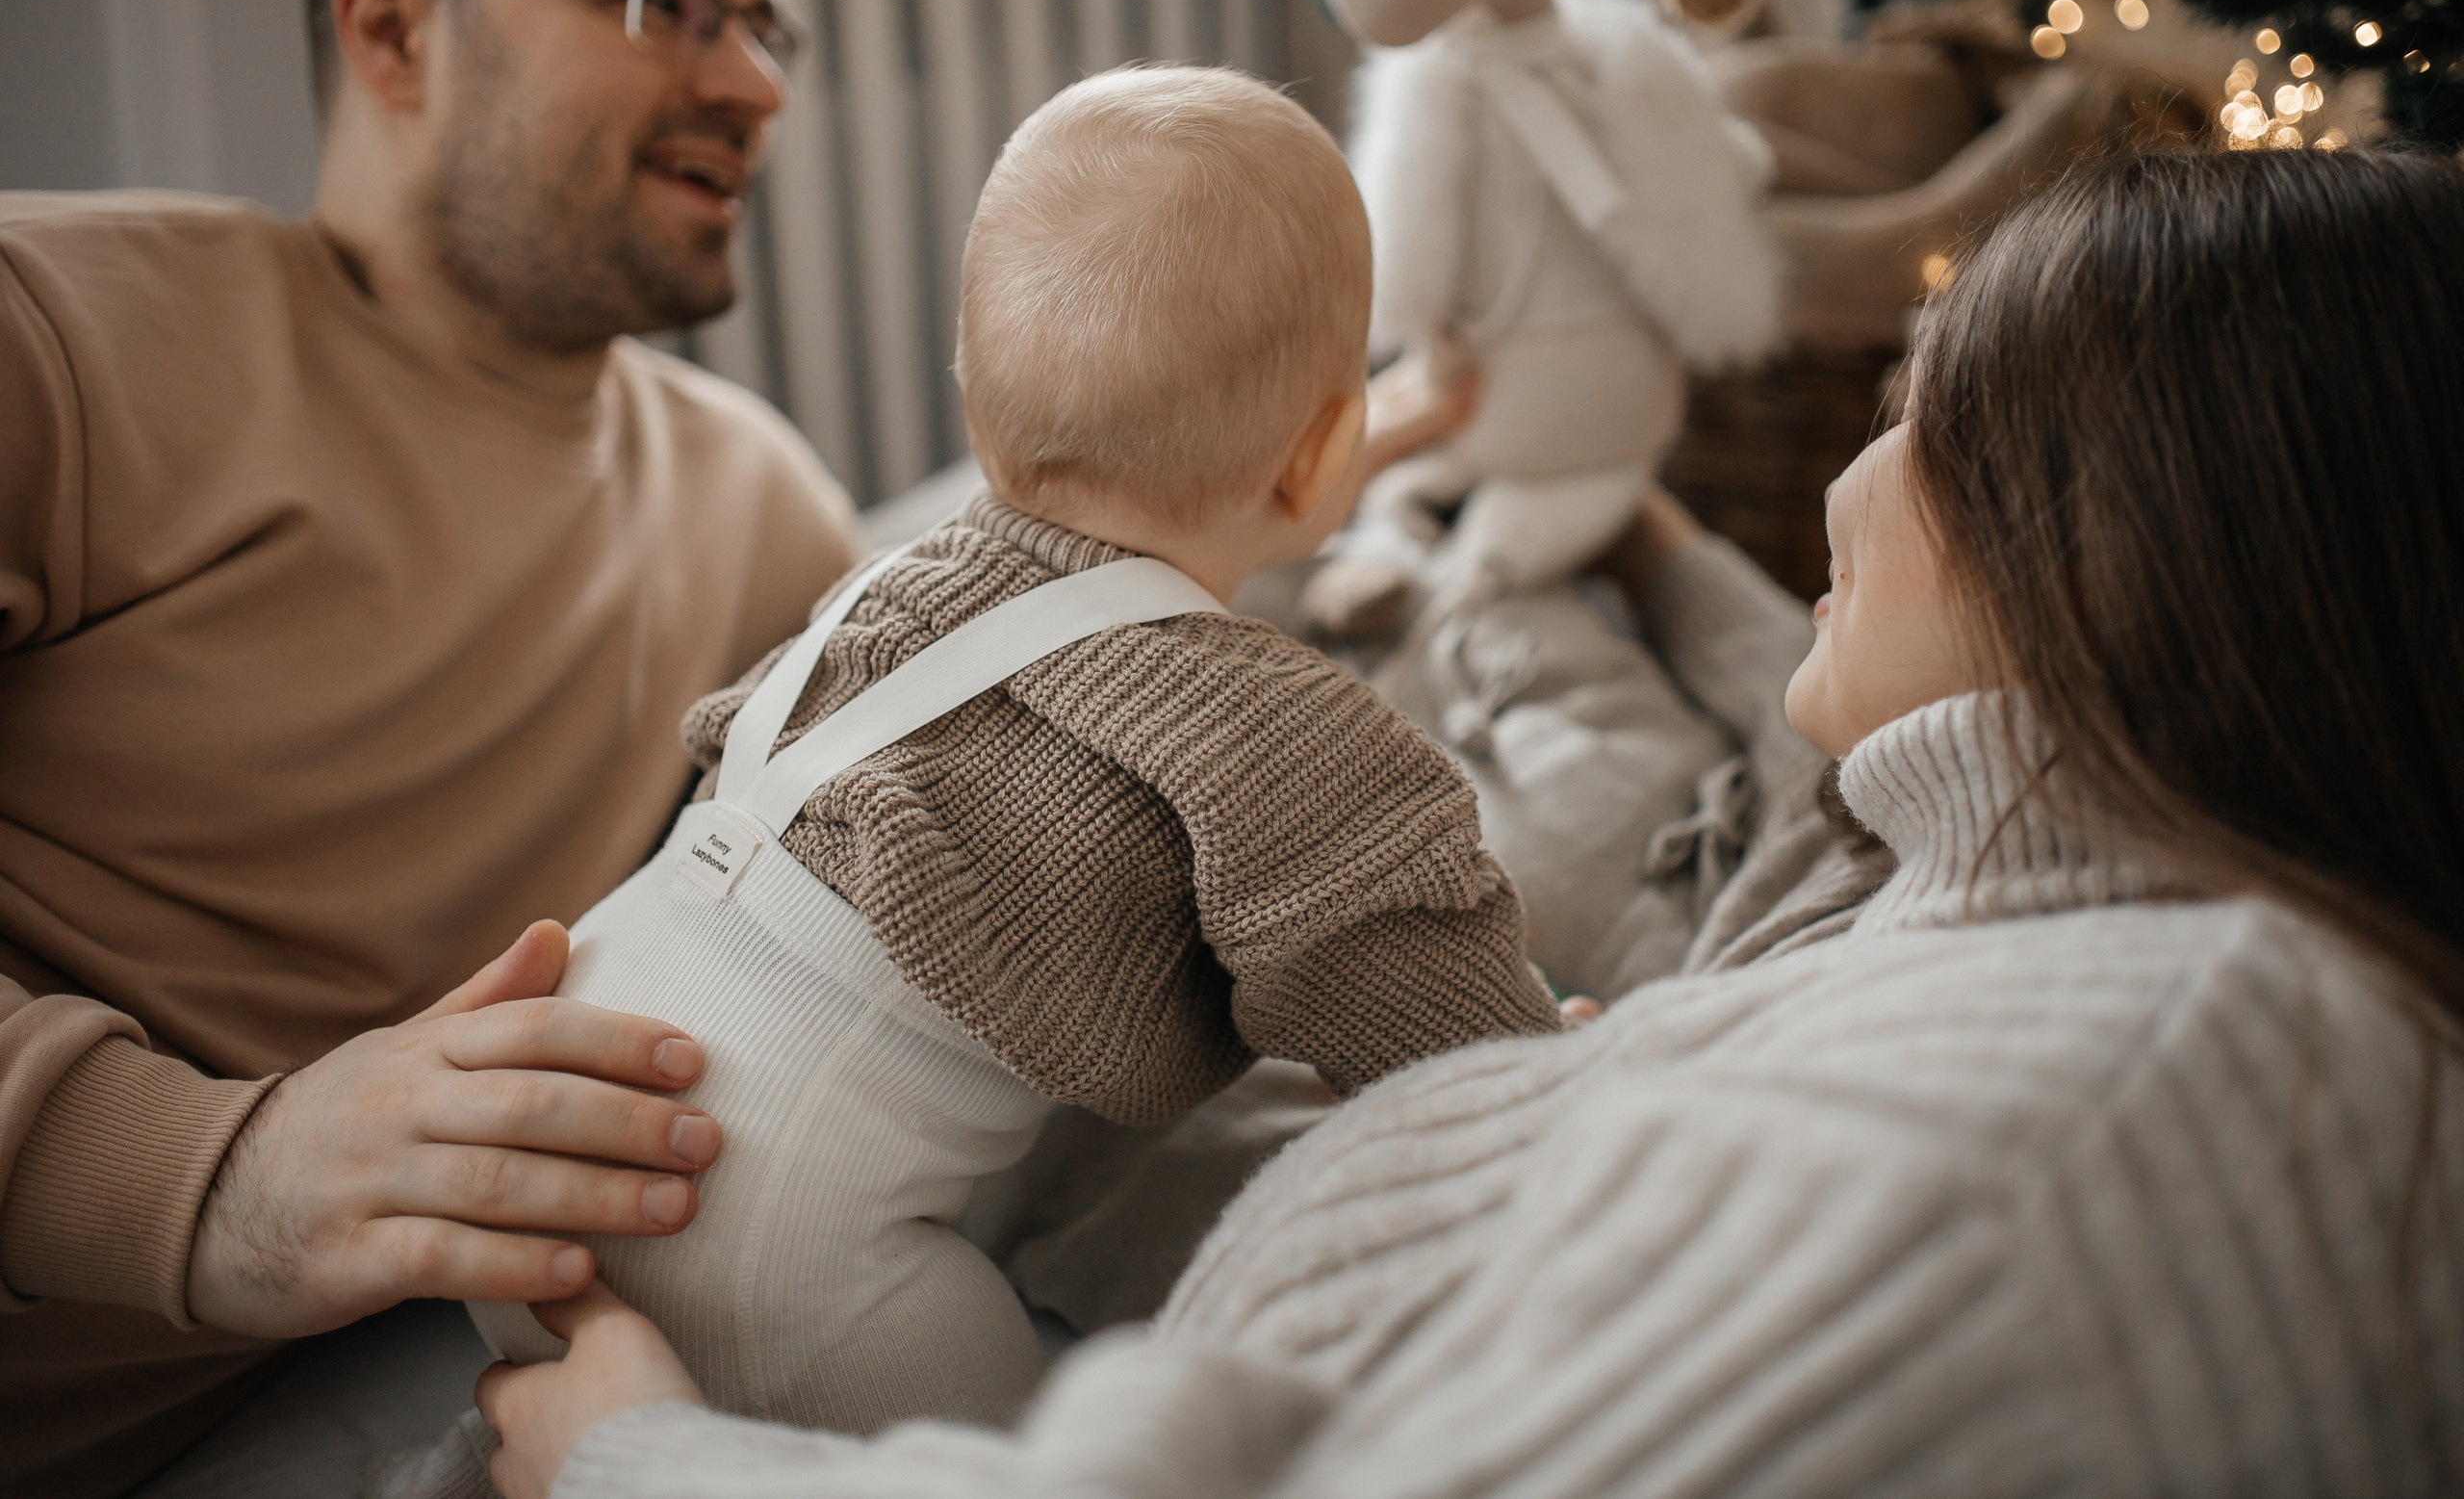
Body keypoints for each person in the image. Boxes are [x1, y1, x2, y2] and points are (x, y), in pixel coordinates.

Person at [475, 146, 2464, 1498]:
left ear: (2142, 549)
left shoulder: (2097, 1124)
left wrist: (635, 1459)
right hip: (1088, 1202)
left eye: (1918, 420)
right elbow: (1835, 723)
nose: (1844, 490)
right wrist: (1653, 534)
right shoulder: (2040, 850)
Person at [427, 65, 1559, 1456]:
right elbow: (1397, 957)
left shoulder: (890, 591)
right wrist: (1529, 1057)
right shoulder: (1273, 735)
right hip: (764, 1247)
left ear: (973, 393)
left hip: (535, 1154)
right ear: (1328, 452)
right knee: (1047, 1460)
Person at [0, 0, 866, 1492]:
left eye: (766, 26)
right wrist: (221, 1174)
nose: (752, 81)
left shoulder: (761, 509)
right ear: (395, 29)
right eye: (664, 2)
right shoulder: (57, 343)